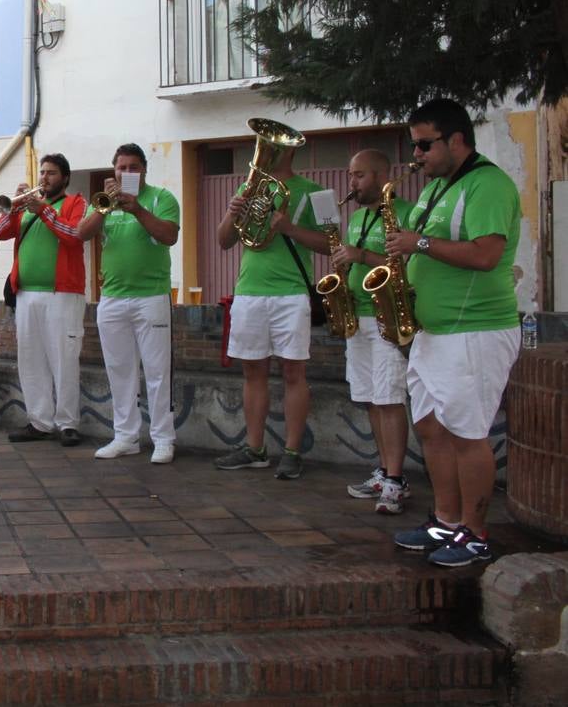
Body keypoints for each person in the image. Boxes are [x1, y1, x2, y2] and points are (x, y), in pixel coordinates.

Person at [386, 98, 521, 568]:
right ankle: (445, 520)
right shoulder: (435, 189)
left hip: (475, 331)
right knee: (430, 425)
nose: (416, 155)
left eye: (424, 145)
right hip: (433, 332)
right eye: (414, 145)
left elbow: (485, 254)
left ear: (456, 140)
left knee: (467, 433)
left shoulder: (488, 185)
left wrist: (417, 242)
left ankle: (476, 532)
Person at [214, 136, 328, 479]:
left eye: (272, 145)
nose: (263, 151)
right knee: (253, 372)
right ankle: (255, 448)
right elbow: (224, 241)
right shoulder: (246, 188)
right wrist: (232, 214)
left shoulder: (316, 191)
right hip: (249, 291)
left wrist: (290, 228)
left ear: (290, 150)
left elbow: (332, 243)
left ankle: (292, 451)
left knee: (294, 372)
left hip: (291, 293)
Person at [78, 144, 181, 463]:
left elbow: (169, 236)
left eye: (133, 167)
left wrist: (136, 208)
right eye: (121, 167)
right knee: (119, 369)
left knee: (157, 371)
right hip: (112, 297)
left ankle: (163, 438)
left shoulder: (161, 198)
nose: (126, 173)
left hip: (151, 295)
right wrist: (102, 208)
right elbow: (82, 234)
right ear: (114, 171)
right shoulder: (105, 204)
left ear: (144, 170)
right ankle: (125, 436)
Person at [330, 150, 415, 514]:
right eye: (351, 176)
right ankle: (383, 469)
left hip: (388, 317)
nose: (352, 183)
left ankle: (396, 480)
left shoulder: (408, 213)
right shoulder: (358, 217)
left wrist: (360, 256)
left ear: (383, 174)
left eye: (360, 176)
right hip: (358, 317)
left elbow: (406, 266)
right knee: (369, 396)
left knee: (390, 397)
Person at [0, 154, 88, 446]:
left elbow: (73, 234)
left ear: (65, 177)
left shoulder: (75, 203)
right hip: (25, 294)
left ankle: (68, 423)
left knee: (64, 359)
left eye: (51, 173)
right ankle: (39, 421)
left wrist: (44, 211)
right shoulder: (26, 208)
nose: (44, 178)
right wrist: (16, 206)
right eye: (42, 172)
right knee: (31, 359)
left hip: (62, 293)